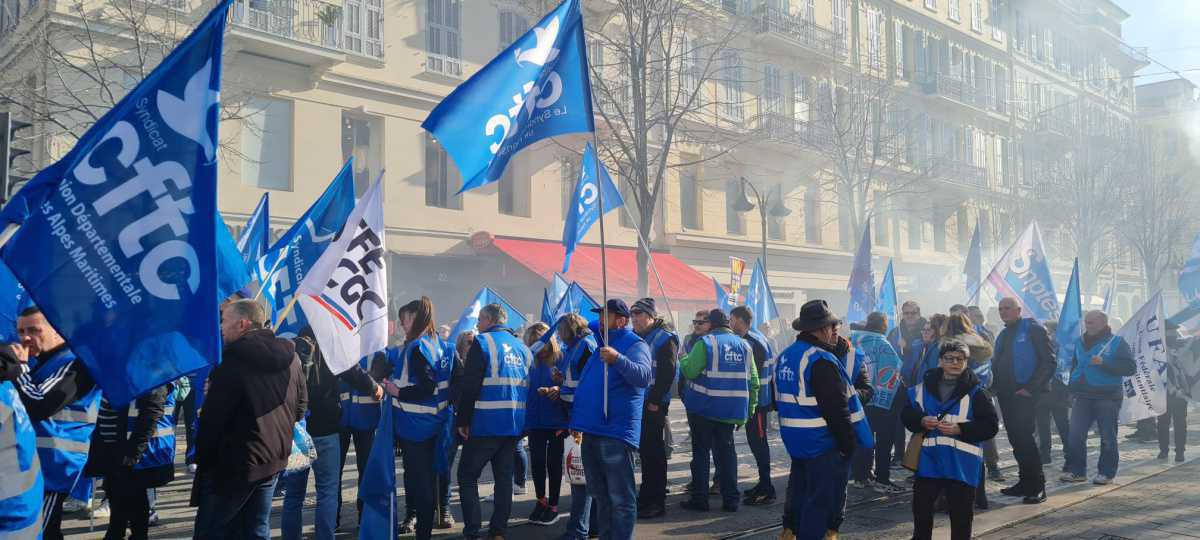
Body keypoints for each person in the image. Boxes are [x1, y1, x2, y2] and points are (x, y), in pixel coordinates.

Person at [192, 299, 307, 539]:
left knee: (212, 531)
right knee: (256, 530)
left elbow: (212, 422)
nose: (220, 327)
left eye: (224, 321)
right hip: (272, 460)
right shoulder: (293, 360)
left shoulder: (232, 364)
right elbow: (300, 409)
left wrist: (203, 460)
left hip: (231, 466)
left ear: (243, 324)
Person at [776, 300, 873, 540]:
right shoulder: (821, 360)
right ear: (822, 329)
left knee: (799, 493)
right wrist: (848, 444)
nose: (834, 332)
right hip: (823, 443)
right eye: (832, 326)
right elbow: (835, 409)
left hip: (796, 441)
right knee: (820, 501)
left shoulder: (787, 355)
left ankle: (791, 532)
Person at [12, 307, 100, 540]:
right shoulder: (38, 362)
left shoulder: (76, 364)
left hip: (53, 468)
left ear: (57, 331)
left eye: (33, 330)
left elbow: (40, 405)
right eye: (21, 331)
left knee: (36, 533)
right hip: (27, 465)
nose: (25, 338)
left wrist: (18, 370)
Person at [902, 340, 1000, 540]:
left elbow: (990, 425)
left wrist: (960, 429)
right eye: (949, 358)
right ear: (940, 361)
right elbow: (906, 414)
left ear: (966, 362)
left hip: (961, 465)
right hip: (929, 461)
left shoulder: (978, 392)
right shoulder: (921, 389)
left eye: (960, 359)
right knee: (921, 512)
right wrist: (921, 420)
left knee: (961, 517)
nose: (954, 362)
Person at [570, 299, 651, 540]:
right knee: (600, 496)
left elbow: (644, 377)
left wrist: (618, 359)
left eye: (606, 316)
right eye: (601, 315)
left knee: (620, 499)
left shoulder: (635, 344)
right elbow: (590, 324)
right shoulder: (601, 342)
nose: (600, 320)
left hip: (614, 432)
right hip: (592, 430)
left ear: (621, 320)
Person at [455, 303, 531, 539]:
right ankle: (498, 531)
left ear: (489, 320)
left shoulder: (483, 342)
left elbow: (470, 386)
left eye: (479, 320)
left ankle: (472, 531)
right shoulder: (522, 347)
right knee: (504, 480)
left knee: (466, 476)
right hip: (513, 426)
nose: (477, 325)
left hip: (485, 423)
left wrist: (462, 420)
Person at [382, 298, 453, 540]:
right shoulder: (441, 345)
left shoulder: (418, 349)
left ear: (414, 318)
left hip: (416, 428)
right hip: (436, 424)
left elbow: (427, 386)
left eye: (404, 320)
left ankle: (422, 534)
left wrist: (397, 392)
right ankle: (425, 528)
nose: (402, 325)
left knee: (420, 486)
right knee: (431, 481)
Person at [281, 327, 358, 540]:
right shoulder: (331, 350)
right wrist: (373, 387)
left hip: (298, 431)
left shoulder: (290, 353)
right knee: (327, 492)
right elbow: (353, 373)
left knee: (294, 495)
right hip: (327, 431)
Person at [678, 308, 758, 514]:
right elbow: (754, 382)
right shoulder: (746, 346)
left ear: (712, 325)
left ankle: (700, 499)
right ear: (728, 324)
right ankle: (731, 500)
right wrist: (748, 411)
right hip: (730, 411)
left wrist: (683, 358)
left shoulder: (705, 343)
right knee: (727, 456)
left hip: (704, 410)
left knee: (702, 455)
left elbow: (689, 370)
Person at [85, 382, 176, 540]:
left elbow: (152, 411)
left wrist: (134, 452)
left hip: (136, 453)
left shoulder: (153, 375)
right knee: (117, 493)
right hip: (114, 447)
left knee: (134, 498)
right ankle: (115, 533)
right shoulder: (124, 371)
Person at [992, 297, 1056, 504]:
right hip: (1006, 395)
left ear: (1019, 309)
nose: (1003, 312)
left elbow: (1049, 362)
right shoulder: (1002, 334)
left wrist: (1030, 388)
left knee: (1026, 440)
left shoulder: (1034, 329)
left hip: (1025, 394)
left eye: (1007, 308)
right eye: (1000, 309)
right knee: (1015, 440)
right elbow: (997, 364)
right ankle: (1024, 482)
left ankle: (1038, 487)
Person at [1060, 310, 1135, 485]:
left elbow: (1130, 368)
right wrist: (1071, 388)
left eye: (1092, 322)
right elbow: (1075, 366)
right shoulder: (1080, 341)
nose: (1088, 325)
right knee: (1075, 435)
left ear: (1103, 323)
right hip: (1082, 394)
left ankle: (1106, 473)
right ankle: (1077, 471)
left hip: (1107, 396)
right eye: (1086, 322)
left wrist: (1105, 363)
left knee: (1107, 436)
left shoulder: (1117, 342)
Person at [629, 298, 678, 519]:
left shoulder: (664, 338)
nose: (635, 319)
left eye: (639, 314)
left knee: (654, 454)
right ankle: (647, 495)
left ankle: (656, 501)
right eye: (633, 315)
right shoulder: (641, 336)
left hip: (654, 404)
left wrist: (655, 402)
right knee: (647, 454)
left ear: (651, 316)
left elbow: (667, 372)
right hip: (642, 401)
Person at [849, 312, 906, 494]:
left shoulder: (851, 341)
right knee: (884, 440)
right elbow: (894, 371)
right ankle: (882, 479)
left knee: (863, 439)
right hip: (883, 402)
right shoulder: (884, 344)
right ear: (884, 326)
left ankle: (861, 476)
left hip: (858, 399)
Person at [555, 314, 598, 540]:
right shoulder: (581, 346)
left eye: (561, 330)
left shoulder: (584, 347)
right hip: (579, 413)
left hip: (581, 415)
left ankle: (578, 531)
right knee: (586, 475)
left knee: (580, 476)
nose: (559, 335)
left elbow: (587, 385)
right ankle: (592, 528)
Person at [730, 306, 776, 506]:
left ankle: (767, 488)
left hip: (758, 403)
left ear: (741, 320)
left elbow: (751, 376)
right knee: (755, 443)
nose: (730, 324)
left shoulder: (753, 342)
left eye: (732, 319)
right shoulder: (754, 338)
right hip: (756, 401)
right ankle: (762, 484)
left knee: (759, 444)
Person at [524, 322, 567, 526]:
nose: (537, 348)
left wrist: (557, 389)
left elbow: (572, 386)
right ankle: (541, 500)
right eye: (532, 343)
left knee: (554, 464)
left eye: (539, 343)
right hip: (535, 421)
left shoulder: (561, 358)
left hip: (557, 421)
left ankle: (554, 506)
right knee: (538, 463)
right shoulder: (528, 360)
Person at [1036, 320, 1071, 468]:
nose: (1047, 334)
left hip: (1059, 391)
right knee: (1043, 426)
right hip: (1042, 391)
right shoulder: (1039, 346)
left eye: (1049, 331)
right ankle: (1045, 454)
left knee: (1062, 424)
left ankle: (1070, 452)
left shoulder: (1064, 348)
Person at [1159, 322, 1192, 462]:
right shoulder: (1159, 349)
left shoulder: (1181, 346)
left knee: (1177, 423)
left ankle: (1178, 452)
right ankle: (1165, 450)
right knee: (1164, 423)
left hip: (1179, 392)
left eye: (1173, 332)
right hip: (1163, 392)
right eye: (1170, 332)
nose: (1172, 334)